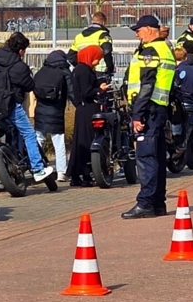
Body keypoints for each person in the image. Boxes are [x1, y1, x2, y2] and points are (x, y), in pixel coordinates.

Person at [0, 32, 55, 182]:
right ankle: (37, 169)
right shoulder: (19, 66)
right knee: (28, 133)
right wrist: (28, 75)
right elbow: (29, 85)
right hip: (10, 104)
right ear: (21, 50)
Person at [122, 14, 175, 219]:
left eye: (139, 30)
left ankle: (145, 203)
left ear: (150, 29)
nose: (137, 34)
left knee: (146, 157)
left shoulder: (151, 51)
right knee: (158, 156)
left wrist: (137, 114)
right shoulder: (165, 49)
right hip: (159, 108)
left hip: (148, 110)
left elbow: (147, 85)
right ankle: (158, 203)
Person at [67, 45, 110, 187]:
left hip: (82, 110)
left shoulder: (80, 69)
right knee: (88, 140)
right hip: (88, 109)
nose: (98, 61)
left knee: (79, 142)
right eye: (97, 58)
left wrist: (98, 83)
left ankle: (76, 174)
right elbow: (86, 92)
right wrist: (99, 90)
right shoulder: (84, 71)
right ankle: (86, 174)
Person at [33, 50, 72, 176]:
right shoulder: (64, 71)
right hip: (56, 111)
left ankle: (36, 168)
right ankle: (61, 172)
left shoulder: (41, 71)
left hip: (40, 110)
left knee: (38, 140)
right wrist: (80, 105)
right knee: (59, 142)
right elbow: (72, 91)